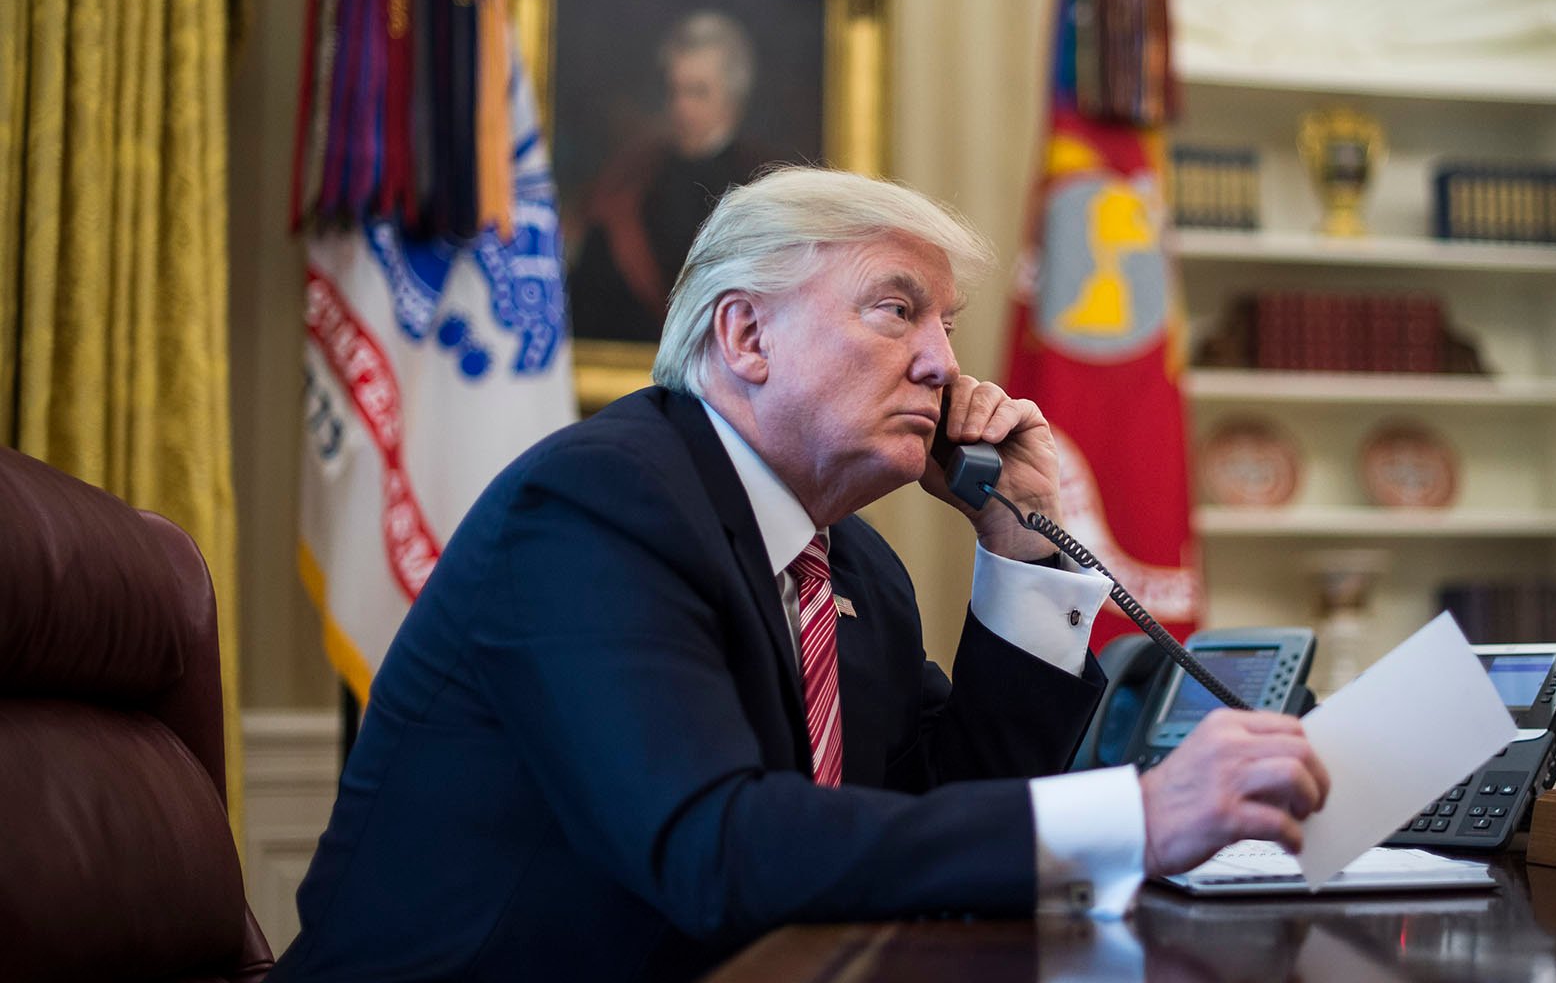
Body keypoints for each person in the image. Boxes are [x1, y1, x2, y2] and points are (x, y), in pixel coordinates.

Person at [269, 168, 1329, 981]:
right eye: (894, 310)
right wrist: (1138, 816)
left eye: (946, 327)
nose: (944, 368)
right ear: (745, 336)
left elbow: (938, 828)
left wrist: (1025, 558)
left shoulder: (853, 566)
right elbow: (714, 846)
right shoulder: (597, 508)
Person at [567, 9, 774, 342]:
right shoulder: (634, 179)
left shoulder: (765, 186)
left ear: (733, 99)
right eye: (675, 91)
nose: (681, 107)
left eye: (697, 92)